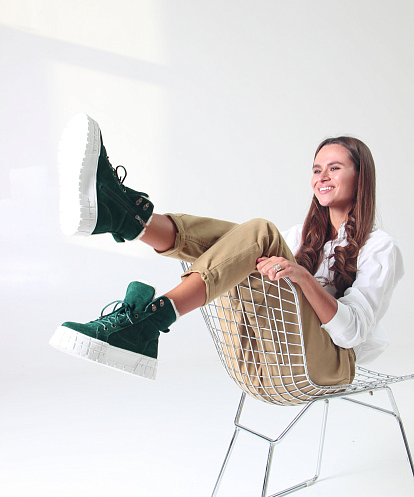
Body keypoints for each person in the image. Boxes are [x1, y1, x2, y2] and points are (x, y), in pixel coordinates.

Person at [50, 113, 404, 397]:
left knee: (260, 233)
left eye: (335, 168)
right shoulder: (302, 237)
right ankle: (122, 217)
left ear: (361, 176)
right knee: (241, 241)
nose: (322, 177)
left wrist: (303, 278)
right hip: (266, 354)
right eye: (316, 169)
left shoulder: (380, 247)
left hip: (326, 366)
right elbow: (238, 250)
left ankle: (147, 311)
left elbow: (351, 334)